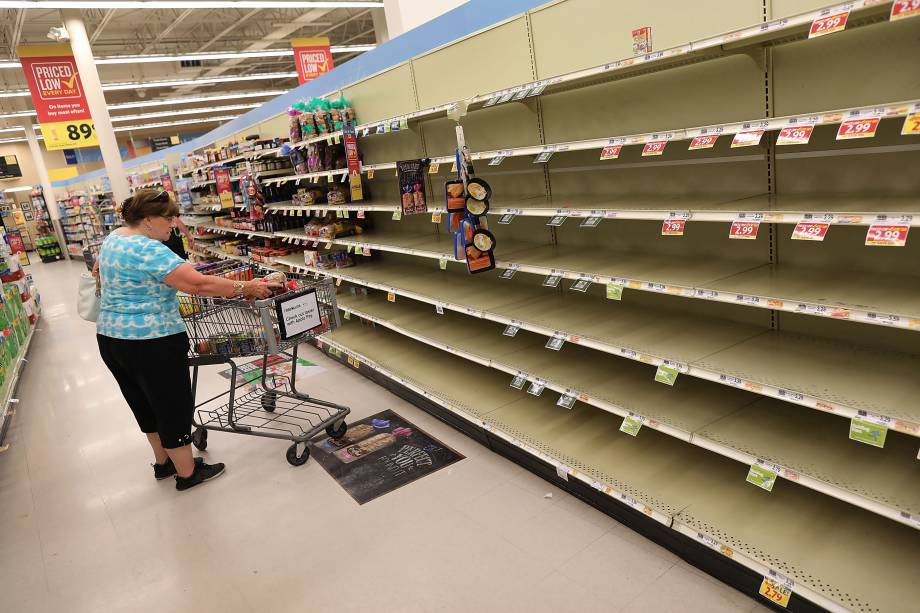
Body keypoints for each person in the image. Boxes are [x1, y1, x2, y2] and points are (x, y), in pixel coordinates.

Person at [95, 189, 279, 491]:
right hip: (151, 340)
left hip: (112, 338)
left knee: (144, 403)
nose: (173, 224)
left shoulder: (115, 238)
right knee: (171, 405)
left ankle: (163, 463)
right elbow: (198, 285)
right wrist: (247, 287)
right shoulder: (150, 250)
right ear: (149, 219)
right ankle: (188, 473)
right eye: (168, 219)